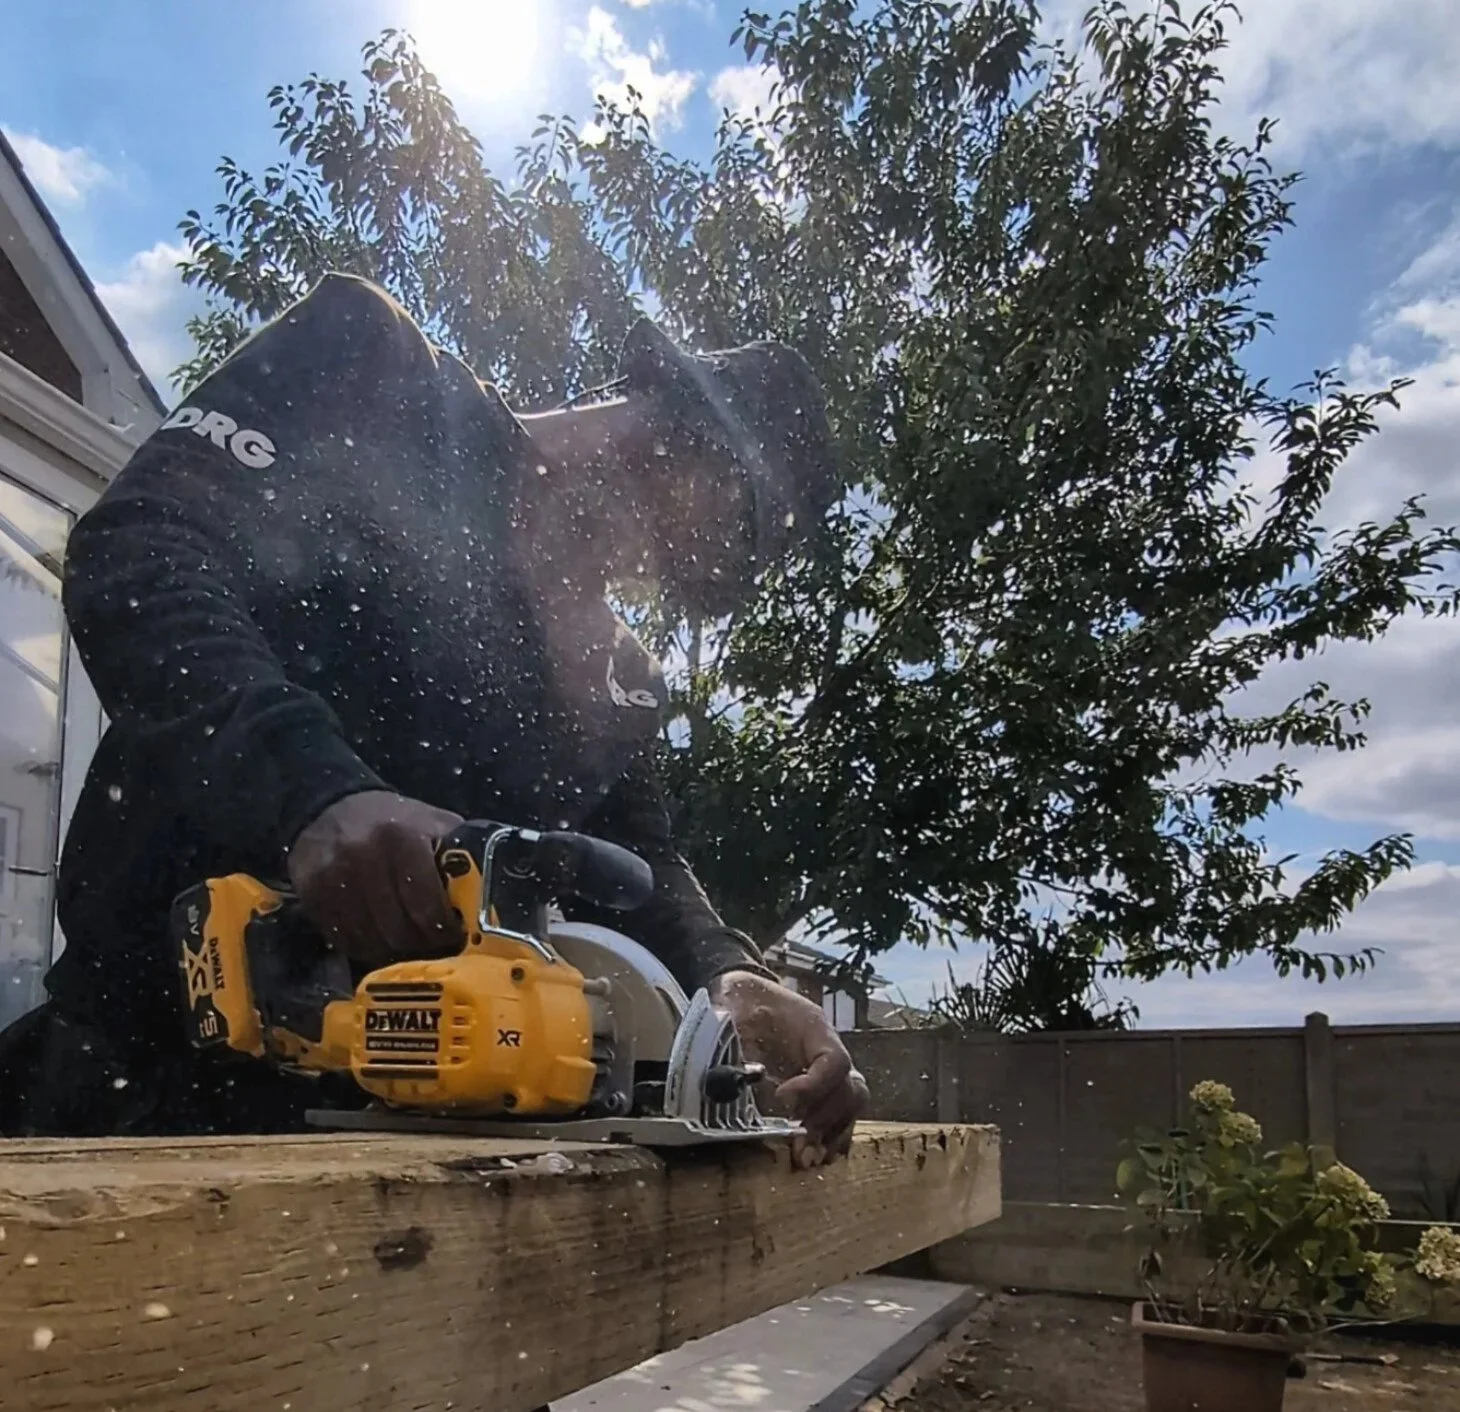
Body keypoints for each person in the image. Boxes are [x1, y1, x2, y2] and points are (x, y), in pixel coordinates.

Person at [0, 273, 869, 1158]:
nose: (656, 562)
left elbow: (640, 866)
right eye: (709, 522)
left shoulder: (618, 673)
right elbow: (142, 548)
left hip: (401, 1127)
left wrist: (731, 975)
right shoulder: (376, 369)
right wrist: (315, 790)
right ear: (690, 446)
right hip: (126, 1085)